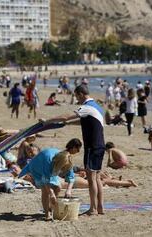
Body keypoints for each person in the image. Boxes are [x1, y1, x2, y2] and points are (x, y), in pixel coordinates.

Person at [44, 85, 106, 216]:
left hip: (92, 146)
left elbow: (66, 116)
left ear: (81, 94)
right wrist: (68, 124)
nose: (76, 99)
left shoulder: (87, 106)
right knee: (97, 177)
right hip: (100, 145)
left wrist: (47, 121)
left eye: (77, 96)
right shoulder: (97, 107)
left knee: (91, 178)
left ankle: (93, 209)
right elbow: (84, 121)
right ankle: (100, 207)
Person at [18, 139, 82, 221]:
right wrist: (51, 194)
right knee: (45, 191)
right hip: (38, 168)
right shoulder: (49, 161)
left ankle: (52, 209)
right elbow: (45, 181)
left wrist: (68, 190)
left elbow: (71, 177)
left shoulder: (67, 159)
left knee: (58, 188)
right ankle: (47, 214)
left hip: (52, 168)